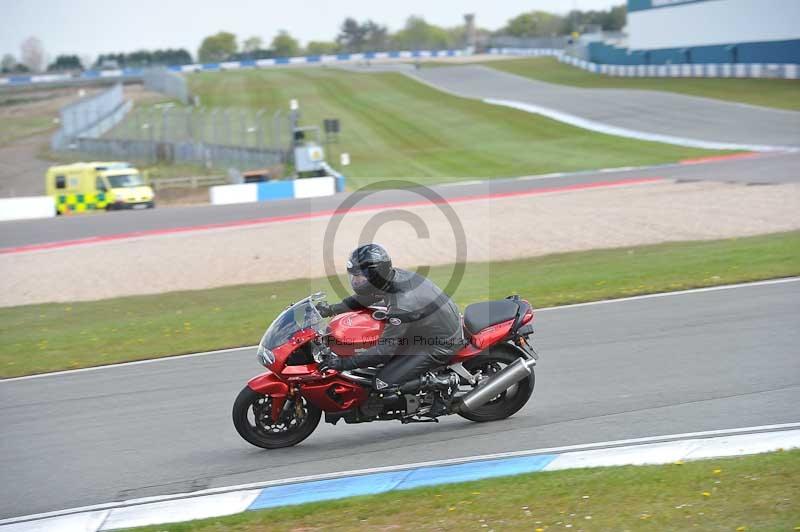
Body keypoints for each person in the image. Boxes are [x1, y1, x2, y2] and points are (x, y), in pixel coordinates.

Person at [317, 243, 463, 392]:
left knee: (382, 383)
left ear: (375, 275)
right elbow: (366, 298)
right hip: (427, 328)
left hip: (440, 344)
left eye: (359, 277)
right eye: (353, 276)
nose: (355, 281)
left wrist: (342, 363)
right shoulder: (390, 279)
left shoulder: (401, 304)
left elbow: (383, 351)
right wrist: (330, 309)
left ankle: (444, 382)